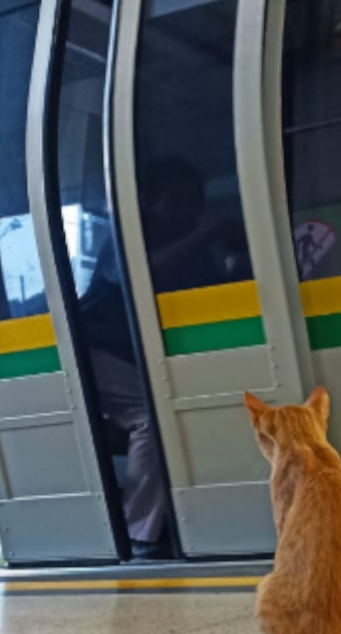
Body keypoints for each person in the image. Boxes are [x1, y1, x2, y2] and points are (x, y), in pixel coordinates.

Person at [77, 157, 222, 560]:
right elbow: (132, 275)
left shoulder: (196, 250)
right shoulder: (129, 233)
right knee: (151, 416)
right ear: (149, 200)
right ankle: (138, 532)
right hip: (96, 351)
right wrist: (207, 235)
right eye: (177, 199)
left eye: (194, 202)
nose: (187, 210)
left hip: (144, 358)